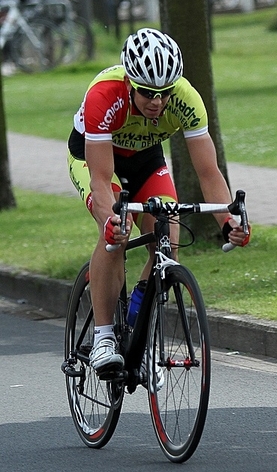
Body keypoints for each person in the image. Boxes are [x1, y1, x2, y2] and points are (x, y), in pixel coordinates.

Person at [68, 28, 249, 375]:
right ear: (131, 83)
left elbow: (208, 173)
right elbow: (102, 179)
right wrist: (110, 222)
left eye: (164, 93)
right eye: (148, 93)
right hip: (93, 158)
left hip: (145, 160)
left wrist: (228, 223)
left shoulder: (186, 99)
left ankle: (139, 322)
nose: (157, 101)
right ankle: (104, 336)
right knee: (115, 237)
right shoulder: (105, 95)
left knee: (169, 239)